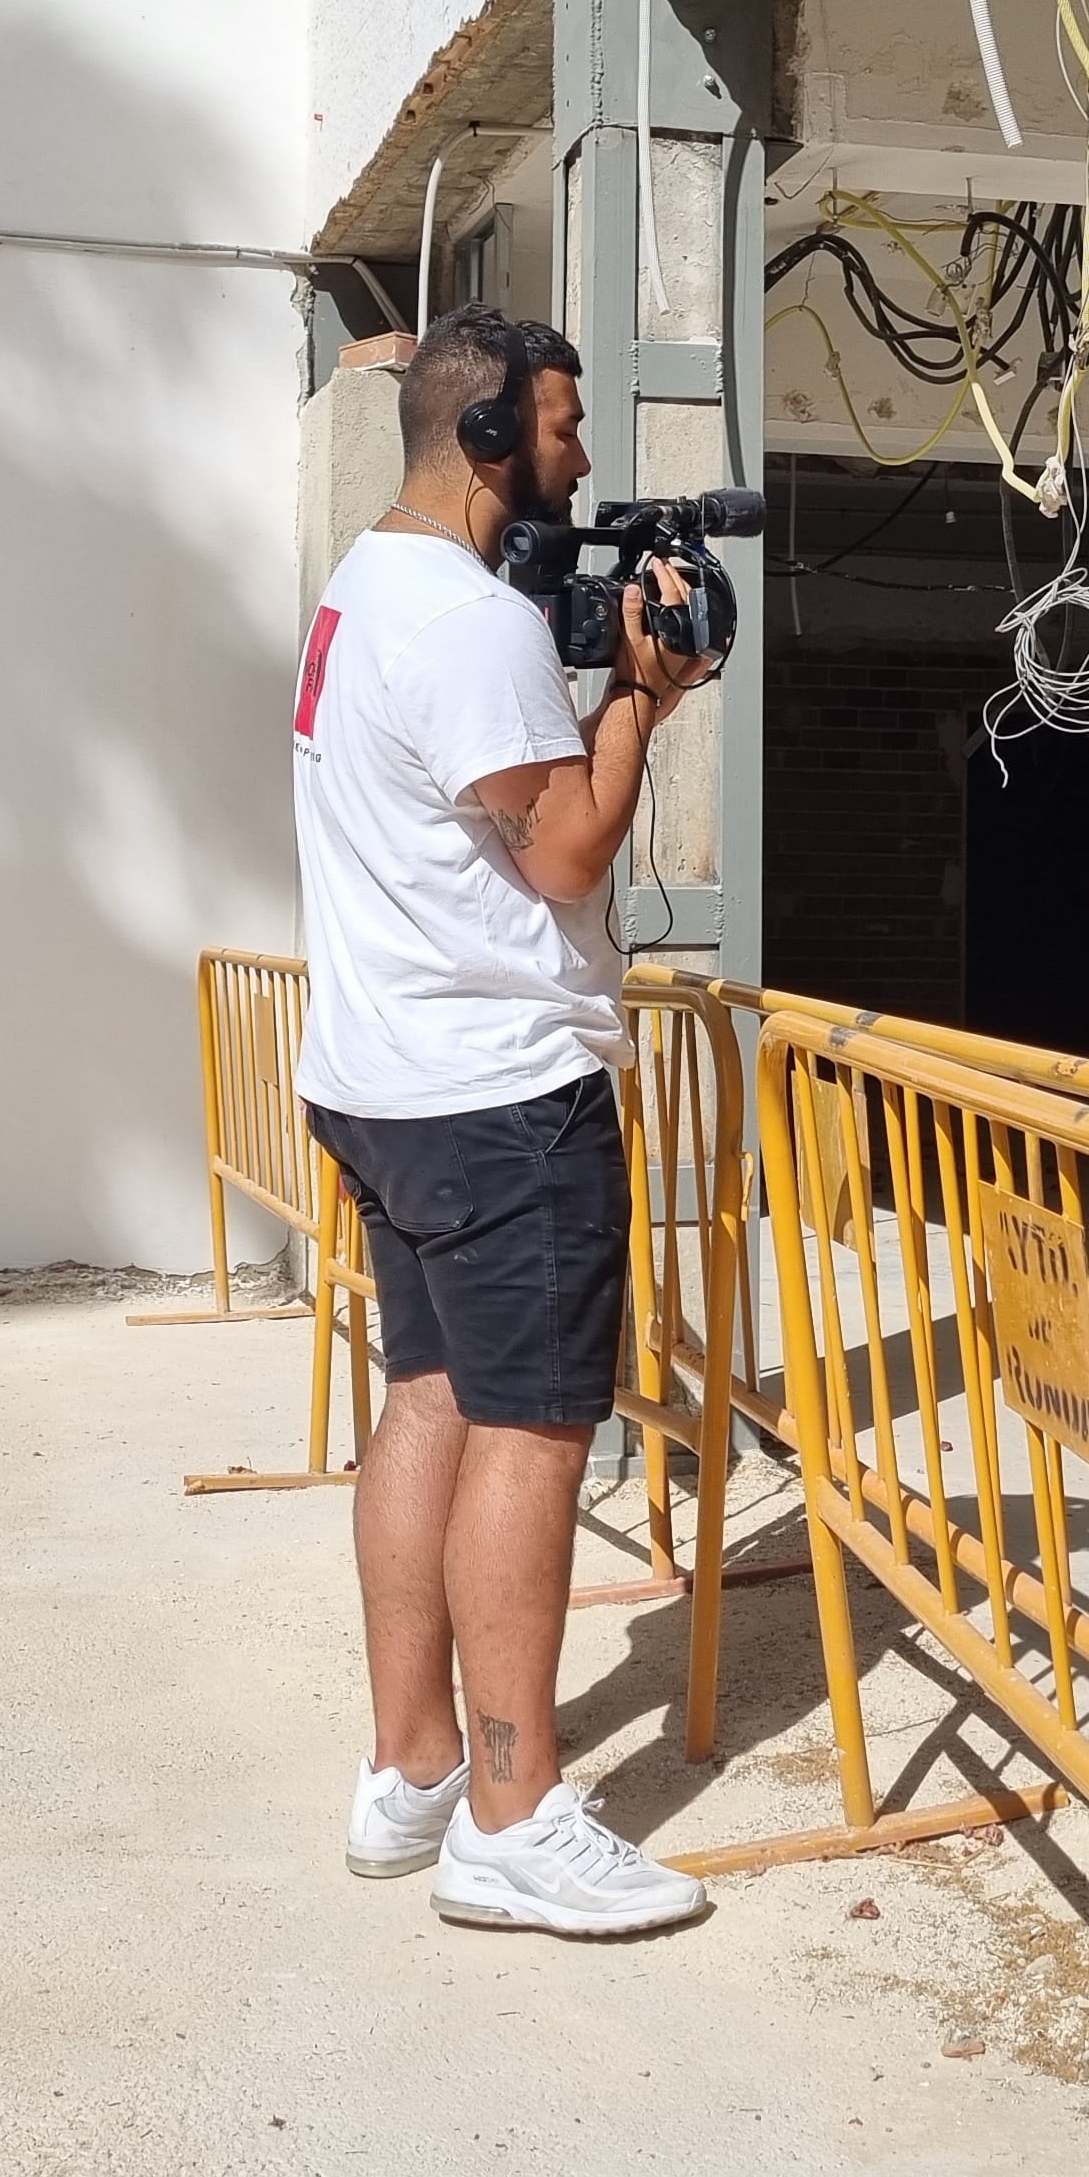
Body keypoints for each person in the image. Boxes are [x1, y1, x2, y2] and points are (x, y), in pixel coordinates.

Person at [289, 306, 718, 1938]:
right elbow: (564, 854)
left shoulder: (359, 586)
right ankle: (516, 1818)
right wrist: (645, 695)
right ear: (487, 445)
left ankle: (410, 1774)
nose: (586, 457)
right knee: (537, 1432)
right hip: (494, 1093)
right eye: (563, 428)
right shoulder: (464, 623)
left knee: (431, 1405)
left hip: (382, 1077)